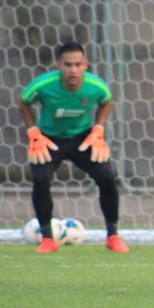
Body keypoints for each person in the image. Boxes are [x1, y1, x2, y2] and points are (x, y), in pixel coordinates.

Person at [19, 41, 129, 254]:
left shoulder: (96, 87)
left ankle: (113, 236)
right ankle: (47, 238)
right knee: (41, 179)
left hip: (83, 139)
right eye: (68, 65)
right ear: (59, 65)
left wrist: (98, 128)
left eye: (78, 64)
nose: (73, 70)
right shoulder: (43, 85)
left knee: (107, 177)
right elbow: (24, 102)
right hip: (49, 139)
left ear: (85, 65)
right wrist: (33, 131)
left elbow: (106, 101)